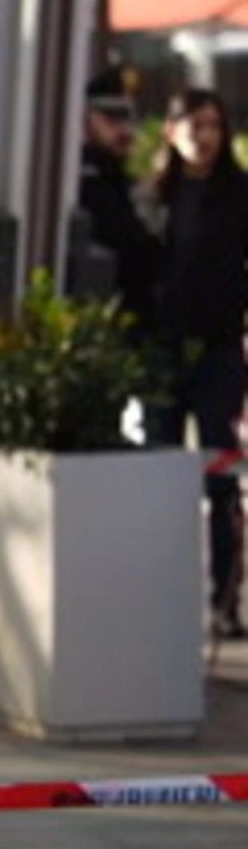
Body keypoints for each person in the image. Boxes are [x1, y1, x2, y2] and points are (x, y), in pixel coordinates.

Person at [147, 87, 248, 639]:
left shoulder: (238, 193)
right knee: (160, 474)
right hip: (163, 352)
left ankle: (224, 600)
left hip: (220, 350)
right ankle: (161, 597)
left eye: (213, 125)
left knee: (221, 476)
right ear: (171, 131)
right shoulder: (153, 197)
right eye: (193, 125)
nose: (203, 136)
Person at [80, 66, 163, 336]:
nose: (126, 131)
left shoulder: (116, 177)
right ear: (85, 119)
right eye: (112, 119)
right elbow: (137, 252)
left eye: (129, 119)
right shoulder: (87, 179)